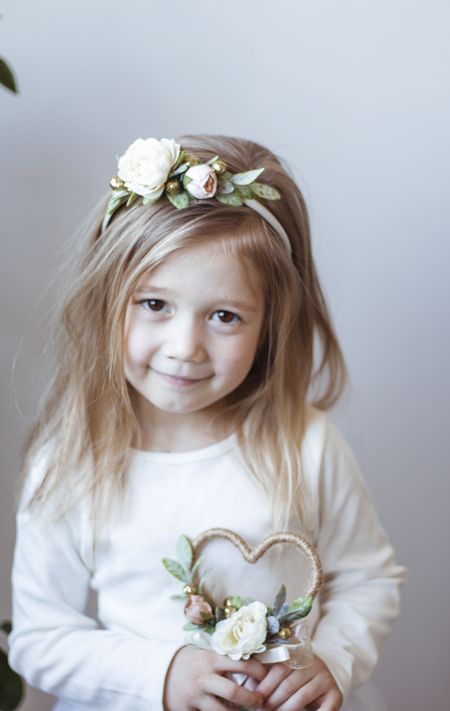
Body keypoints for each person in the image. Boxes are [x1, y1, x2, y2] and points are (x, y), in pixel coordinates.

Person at [8, 134, 406, 711]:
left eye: (224, 315)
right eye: (155, 305)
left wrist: (335, 661)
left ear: (269, 325)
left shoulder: (306, 444)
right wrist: (161, 674)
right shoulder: (75, 458)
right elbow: (41, 638)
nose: (184, 347)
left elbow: (369, 579)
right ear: (107, 301)